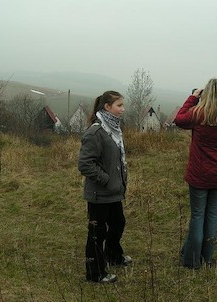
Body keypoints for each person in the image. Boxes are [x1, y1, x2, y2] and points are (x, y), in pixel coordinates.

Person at [175, 78, 217, 269]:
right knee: (212, 215)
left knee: (197, 216)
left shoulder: (199, 114)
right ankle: (207, 258)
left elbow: (179, 120)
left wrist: (193, 97)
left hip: (199, 172)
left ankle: (192, 261)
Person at [78, 90, 132, 283]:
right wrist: (107, 180)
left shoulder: (113, 129)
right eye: (119, 106)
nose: (122, 109)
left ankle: (113, 256)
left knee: (118, 223)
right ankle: (95, 273)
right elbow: (85, 164)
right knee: (96, 233)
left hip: (113, 192)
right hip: (99, 193)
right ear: (107, 107)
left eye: (122, 105)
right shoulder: (96, 132)